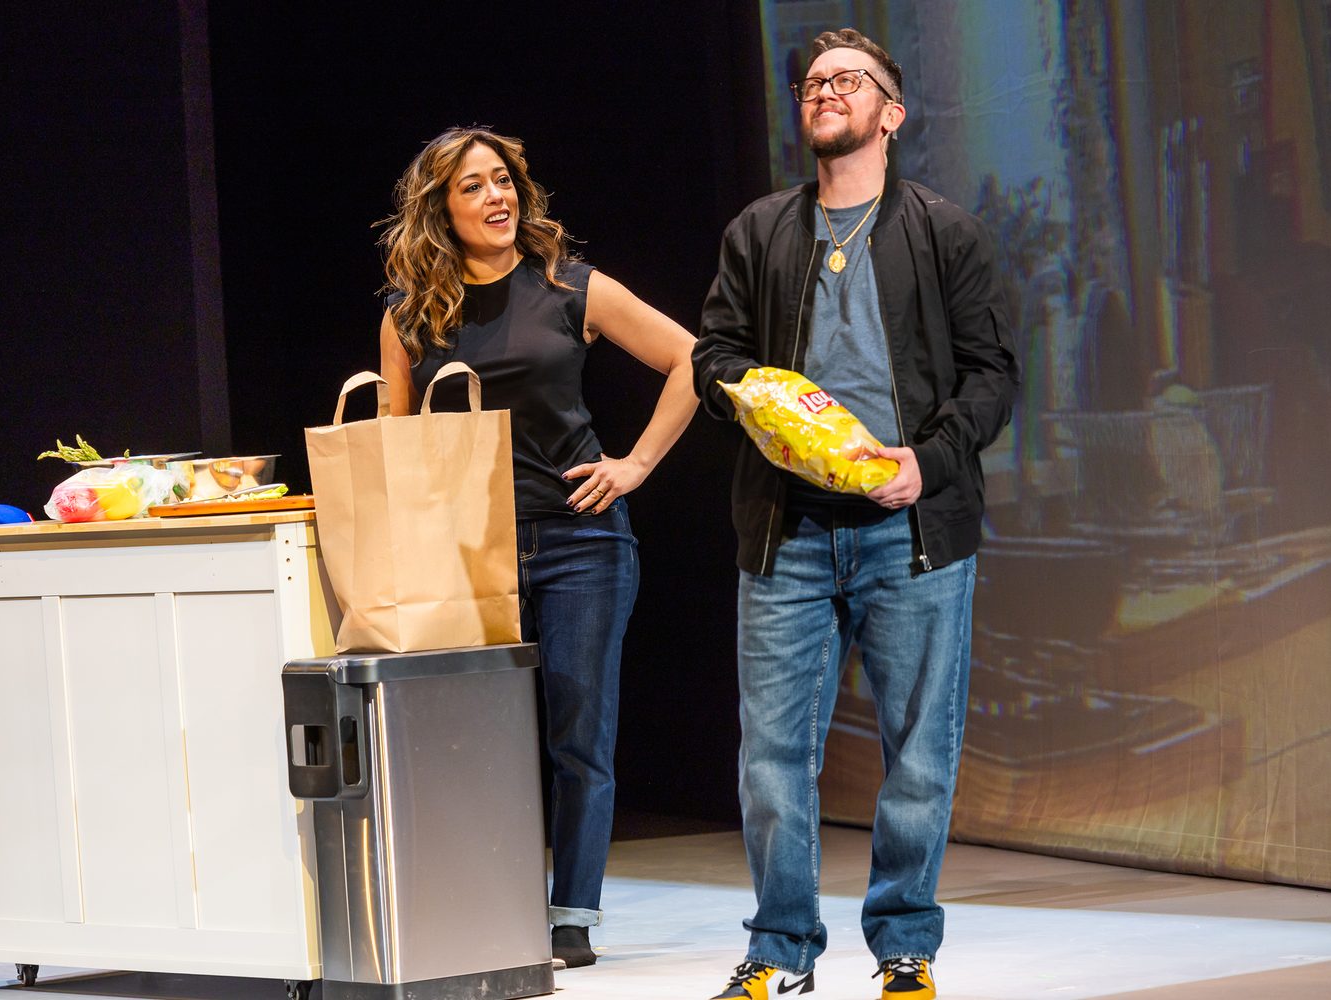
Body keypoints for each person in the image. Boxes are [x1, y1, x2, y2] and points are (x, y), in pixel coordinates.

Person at [692, 29, 1019, 1000]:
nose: (825, 90)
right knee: (772, 756)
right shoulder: (759, 232)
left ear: (892, 112)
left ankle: (904, 945)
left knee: (918, 750)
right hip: (786, 531)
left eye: (850, 80)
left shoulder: (943, 231)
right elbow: (713, 357)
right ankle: (779, 947)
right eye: (813, 81)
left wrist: (929, 463)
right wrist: (759, 402)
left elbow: (992, 375)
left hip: (909, 529)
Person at [377, 126, 697, 968]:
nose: (497, 197)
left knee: (578, 733)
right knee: (472, 737)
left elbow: (691, 360)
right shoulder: (412, 315)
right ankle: (485, 905)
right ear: (441, 210)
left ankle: (570, 918)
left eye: (503, 180)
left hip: (579, 540)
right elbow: (392, 443)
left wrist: (633, 466)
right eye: (473, 186)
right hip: (466, 551)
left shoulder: (569, 287)